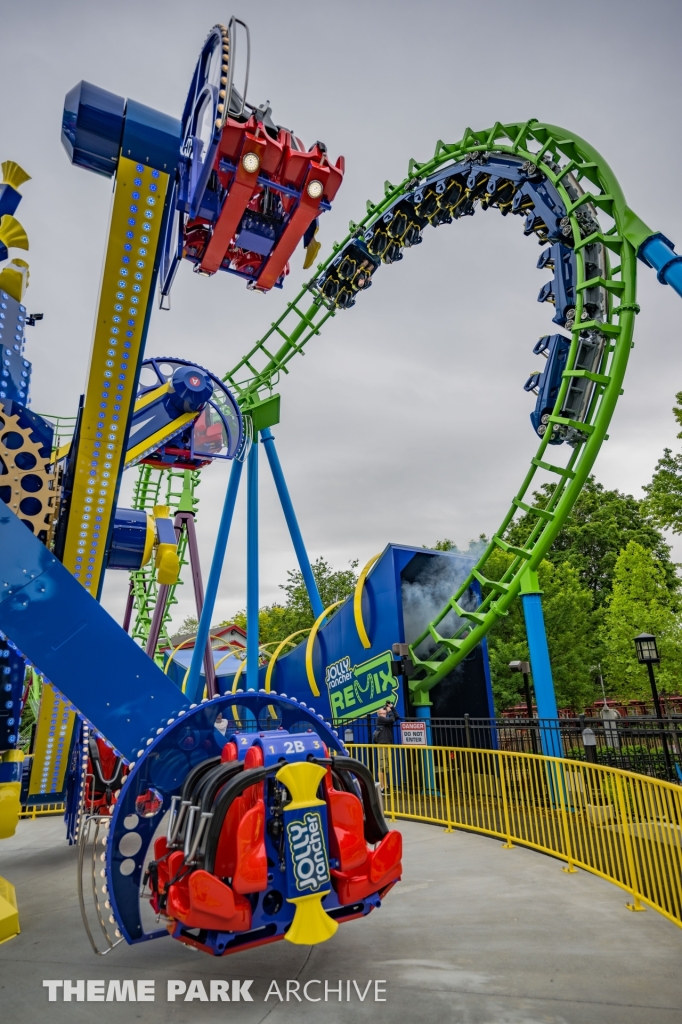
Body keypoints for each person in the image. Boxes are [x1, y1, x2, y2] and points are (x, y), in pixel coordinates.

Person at [373, 700, 398, 793]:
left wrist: (392, 707)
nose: (383, 714)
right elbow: (392, 719)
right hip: (382, 743)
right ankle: (381, 787)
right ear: (379, 714)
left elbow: (396, 717)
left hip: (387, 743)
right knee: (381, 766)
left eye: (385, 713)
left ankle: (386, 786)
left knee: (386, 767)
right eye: (382, 713)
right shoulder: (380, 719)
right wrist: (389, 711)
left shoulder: (387, 720)